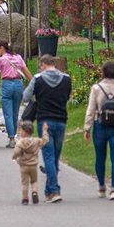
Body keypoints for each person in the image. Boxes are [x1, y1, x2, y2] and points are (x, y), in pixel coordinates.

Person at [22, 54, 71, 203]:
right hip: (61, 120)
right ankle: (49, 191)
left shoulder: (38, 79)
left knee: (48, 156)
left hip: (45, 121)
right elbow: (67, 96)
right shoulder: (66, 79)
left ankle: (55, 190)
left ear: (43, 64)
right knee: (55, 156)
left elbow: (25, 97)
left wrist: (38, 98)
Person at [83, 60, 114, 200]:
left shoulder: (97, 88)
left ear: (103, 72)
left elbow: (91, 109)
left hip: (100, 125)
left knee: (100, 157)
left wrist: (87, 128)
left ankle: (101, 187)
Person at [0, 40, 31, 148]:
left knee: (8, 113)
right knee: (15, 112)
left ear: (2, 48)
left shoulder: (0, 60)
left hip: (7, 84)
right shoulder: (18, 57)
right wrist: (33, 82)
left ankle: (11, 138)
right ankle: (14, 135)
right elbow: (26, 71)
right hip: (18, 84)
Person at [12, 121, 49, 205]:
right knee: (34, 181)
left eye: (21, 130)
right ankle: (34, 192)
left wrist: (14, 157)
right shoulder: (36, 141)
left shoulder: (21, 142)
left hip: (24, 166)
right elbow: (44, 141)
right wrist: (44, 131)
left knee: (25, 183)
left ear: (24, 132)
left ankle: (25, 198)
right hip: (33, 166)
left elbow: (17, 151)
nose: (20, 132)